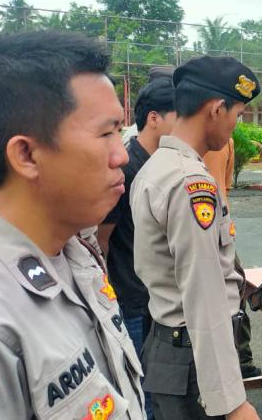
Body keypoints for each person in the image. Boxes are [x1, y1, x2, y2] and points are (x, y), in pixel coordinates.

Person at [0, 31, 145, 418]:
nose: (121, 156)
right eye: (106, 133)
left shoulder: (76, 253)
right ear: (27, 154)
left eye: (120, 131)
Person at [131, 56, 261, 419]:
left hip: (174, 349)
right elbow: (204, 292)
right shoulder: (191, 183)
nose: (236, 126)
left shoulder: (157, 166)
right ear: (217, 109)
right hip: (193, 360)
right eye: (237, 114)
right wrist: (232, 402)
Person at [98, 67, 177, 418]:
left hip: (155, 297)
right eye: (180, 115)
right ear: (154, 118)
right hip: (129, 298)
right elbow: (102, 240)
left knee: (157, 382)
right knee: (135, 381)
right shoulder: (126, 168)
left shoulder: (163, 164)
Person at [203, 139, 262, 379]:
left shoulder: (226, 142)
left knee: (237, 293)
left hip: (222, 234)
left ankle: (241, 361)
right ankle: (230, 363)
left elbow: (224, 187)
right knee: (221, 298)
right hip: (208, 234)